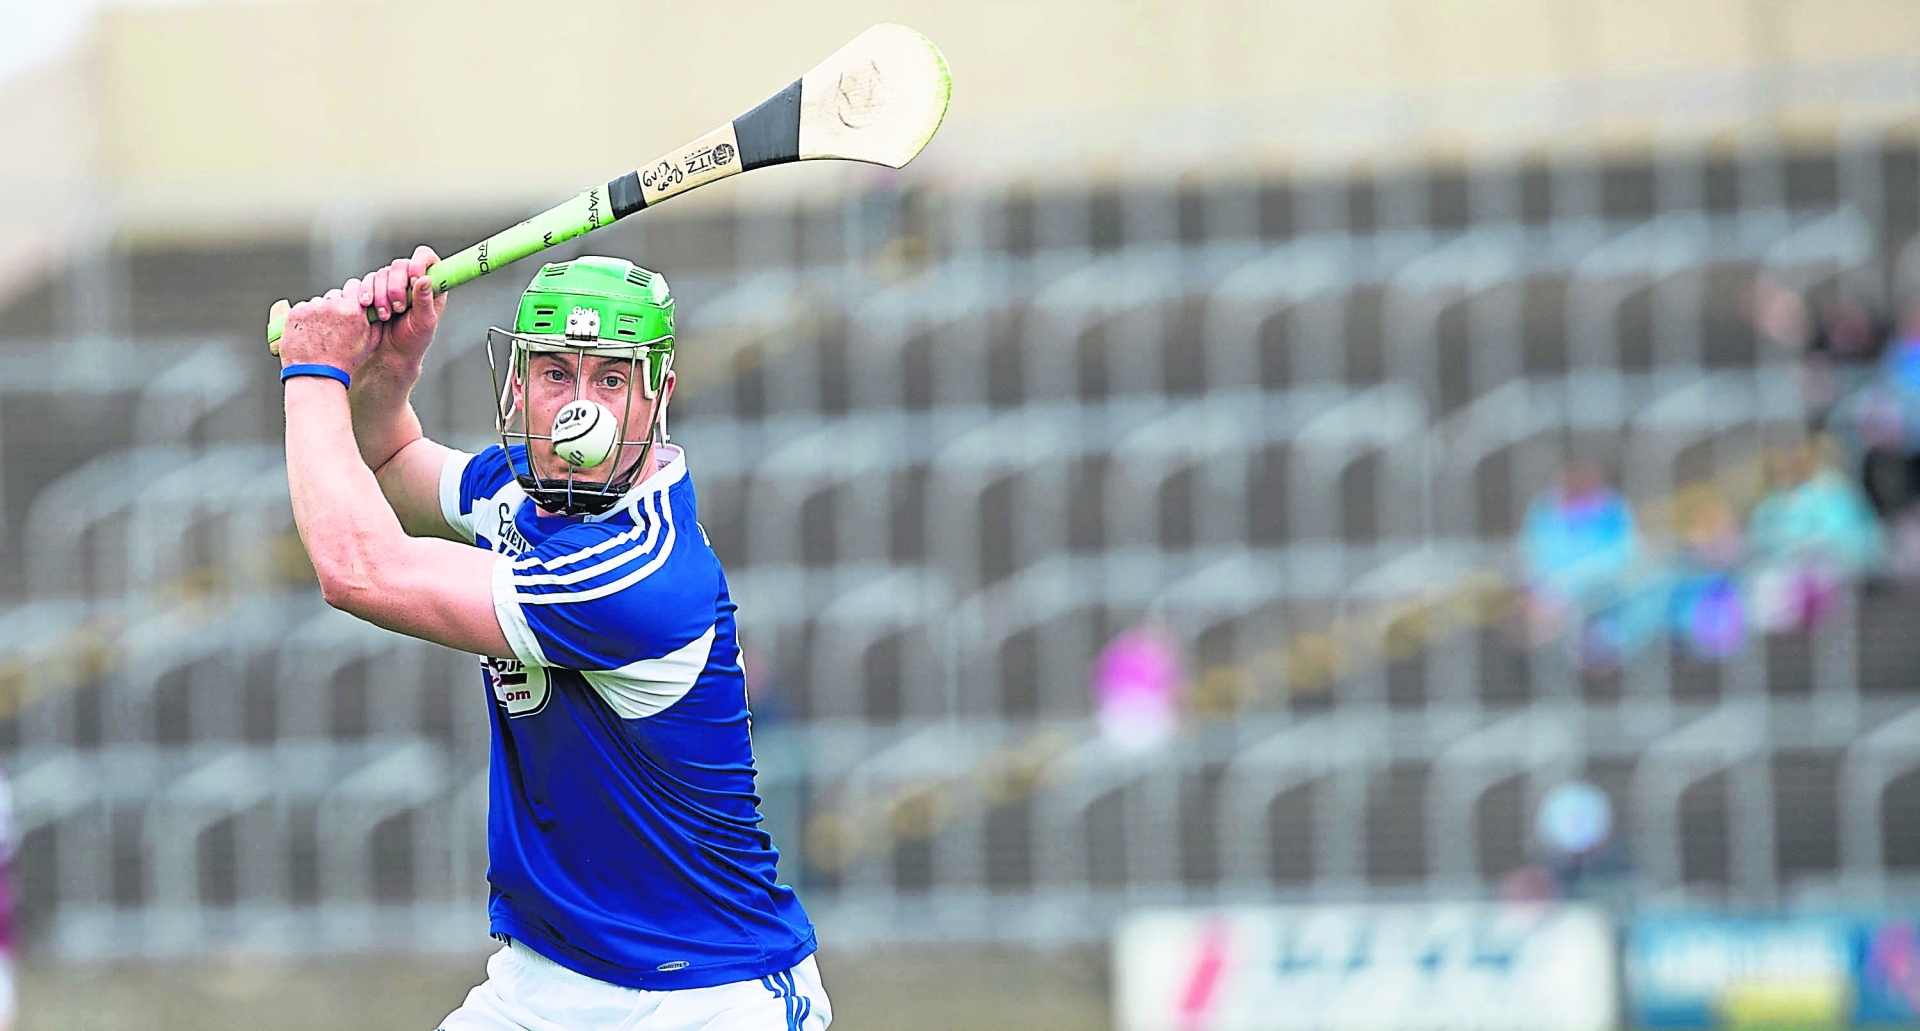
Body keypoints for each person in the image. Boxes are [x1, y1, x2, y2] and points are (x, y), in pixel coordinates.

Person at [275, 249, 828, 1030]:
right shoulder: (520, 494)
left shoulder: (639, 572)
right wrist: (389, 371)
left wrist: (313, 371)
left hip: (709, 992)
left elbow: (358, 569)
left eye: (611, 379)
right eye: (558, 373)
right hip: (542, 979)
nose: (581, 411)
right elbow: (392, 461)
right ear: (517, 383)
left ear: (658, 394)